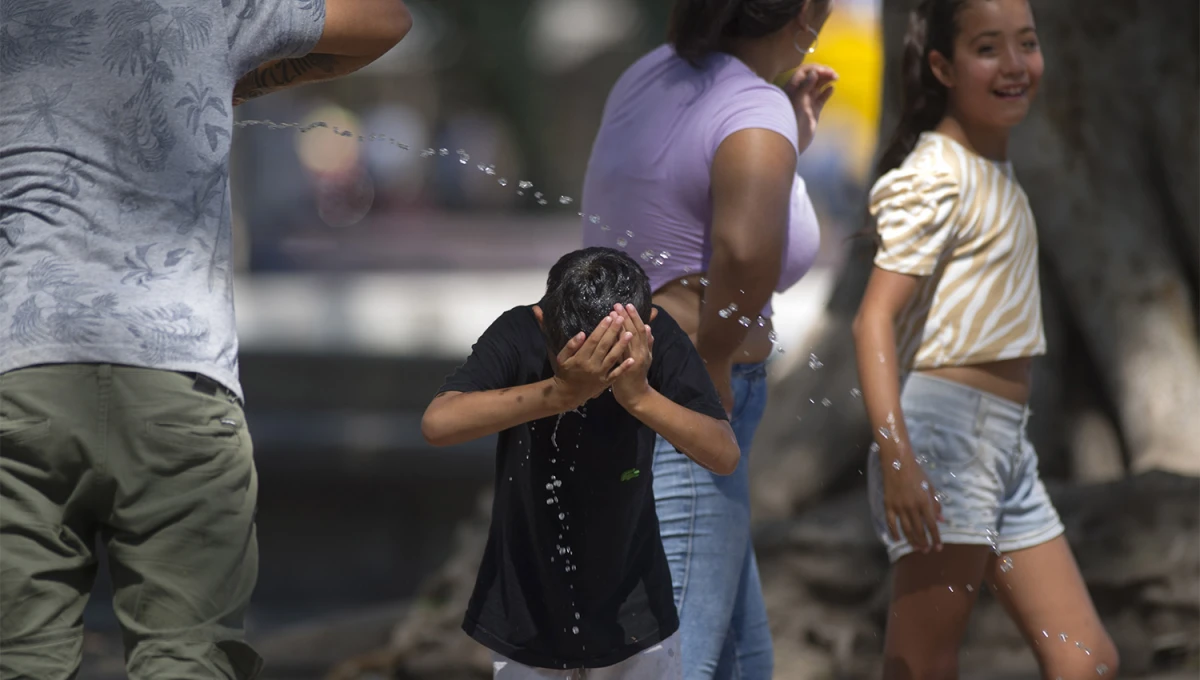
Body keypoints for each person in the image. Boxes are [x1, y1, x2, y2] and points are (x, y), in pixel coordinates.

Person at [0, 1, 411, 677]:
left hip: (23, 372)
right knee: (188, 660)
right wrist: (246, 75)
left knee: (19, 659)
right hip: (180, 381)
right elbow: (385, 21)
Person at [852, 0, 1118, 678]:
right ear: (941, 66)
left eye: (1026, 44)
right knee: (922, 663)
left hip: (1003, 443)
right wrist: (900, 460)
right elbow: (872, 320)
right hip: (945, 440)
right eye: (988, 48)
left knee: (1086, 660)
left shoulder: (990, 169)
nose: (1014, 65)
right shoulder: (937, 174)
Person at [579, 0, 835, 676]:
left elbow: (685, 208)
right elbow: (745, 251)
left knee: (740, 660)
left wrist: (787, 144)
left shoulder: (648, 76)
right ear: (807, 13)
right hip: (689, 394)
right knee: (680, 659)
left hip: (624, 379)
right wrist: (716, 361)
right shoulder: (752, 109)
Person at [421, 247, 740, 679]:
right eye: (574, 360)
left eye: (609, 366)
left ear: (643, 330)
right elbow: (438, 423)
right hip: (526, 607)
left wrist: (640, 396)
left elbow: (723, 454)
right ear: (542, 321)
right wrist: (558, 392)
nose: (595, 378)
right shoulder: (519, 331)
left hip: (634, 607)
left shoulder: (655, 341)